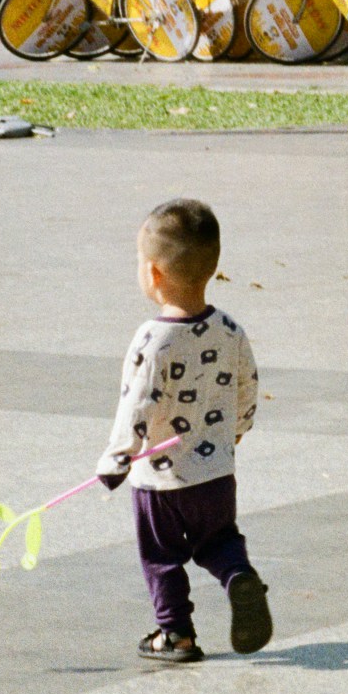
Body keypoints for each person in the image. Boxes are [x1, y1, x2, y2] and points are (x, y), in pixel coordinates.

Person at [100, 197, 268, 664]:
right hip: (215, 472)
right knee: (218, 539)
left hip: (162, 479)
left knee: (162, 556)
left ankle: (176, 634)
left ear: (153, 273)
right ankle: (238, 576)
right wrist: (238, 429)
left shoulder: (151, 340)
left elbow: (135, 405)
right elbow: (247, 385)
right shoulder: (230, 329)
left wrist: (117, 458)